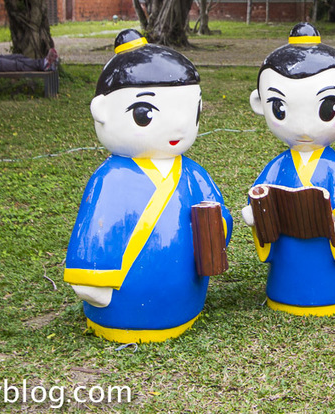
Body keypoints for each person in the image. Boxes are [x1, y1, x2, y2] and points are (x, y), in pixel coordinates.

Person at [64, 29, 232, 343]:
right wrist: (91, 276)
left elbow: (218, 213)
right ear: (102, 112)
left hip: (185, 293)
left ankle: (182, 309)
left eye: (190, 112)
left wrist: (218, 225)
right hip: (122, 297)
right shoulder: (110, 178)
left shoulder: (191, 173)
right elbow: (96, 228)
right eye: (145, 113)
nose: (178, 126)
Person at [241, 22, 335, 316]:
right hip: (287, 249)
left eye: (327, 107)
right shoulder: (278, 165)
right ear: (260, 103)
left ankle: (330, 296)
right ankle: (285, 296)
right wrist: (256, 210)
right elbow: (259, 192)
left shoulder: (333, 166)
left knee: (325, 270)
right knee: (288, 267)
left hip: (324, 249)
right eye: (279, 108)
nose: (304, 127)